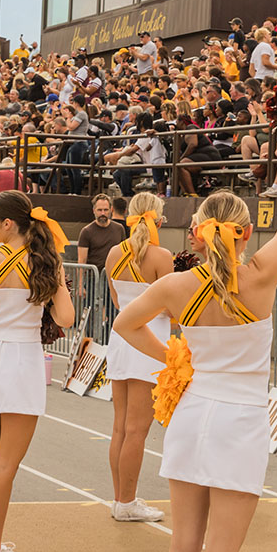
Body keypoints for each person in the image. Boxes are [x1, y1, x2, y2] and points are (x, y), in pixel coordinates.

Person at [110, 147, 277, 552]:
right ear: (247, 232)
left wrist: (174, 358)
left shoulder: (176, 285)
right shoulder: (261, 274)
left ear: (195, 233)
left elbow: (124, 323)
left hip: (191, 416)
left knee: (182, 549)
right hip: (241, 424)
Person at [0, 192, 74, 552]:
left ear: (8, 224)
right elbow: (67, 318)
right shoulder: (46, 262)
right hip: (24, 361)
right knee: (6, 465)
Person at [104, 193, 172, 524]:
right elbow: (171, 307)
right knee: (136, 430)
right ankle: (127, 501)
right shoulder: (162, 256)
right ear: (158, 220)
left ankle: (121, 498)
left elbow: (117, 299)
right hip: (150, 340)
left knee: (120, 427)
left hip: (121, 338)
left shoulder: (115, 253)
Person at [76, 193, 125, 271]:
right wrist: (80, 283)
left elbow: (123, 255)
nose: (103, 213)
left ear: (111, 210)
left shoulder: (119, 229)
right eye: (99, 210)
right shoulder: (86, 231)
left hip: (114, 276)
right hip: (93, 279)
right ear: (94, 210)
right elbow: (82, 262)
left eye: (105, 210)